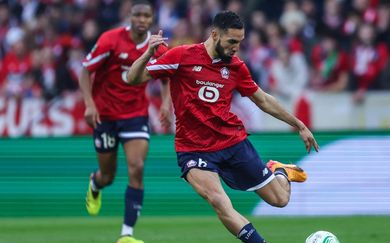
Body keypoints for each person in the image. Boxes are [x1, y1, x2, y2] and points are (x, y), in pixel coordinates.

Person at [127, 11, 319, 243]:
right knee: (219, 201)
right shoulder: (182, 56)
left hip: (232, 143)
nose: (236, 47)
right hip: (193, 149)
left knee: (280, 200)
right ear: (215, 35)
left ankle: (279, 171)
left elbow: (264, 100)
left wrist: (299, 125)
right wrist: (148, 53)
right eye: (231, 42)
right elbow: (133, 78)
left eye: (239, 42)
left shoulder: (237, 67)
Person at [78, 1, 170, 243]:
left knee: (137, 167)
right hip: (105, 116)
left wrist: (165, 103)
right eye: (137, 14)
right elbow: (85, 70)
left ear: (151, 19)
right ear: (130, 16)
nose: (141, 19)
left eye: (146, 16)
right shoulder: (110, 40)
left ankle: (126, 234)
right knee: (107, 176)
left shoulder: (156, 46)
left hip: (135, 115)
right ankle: (95, 184)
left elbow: (166, 76)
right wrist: (89, 104)